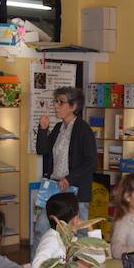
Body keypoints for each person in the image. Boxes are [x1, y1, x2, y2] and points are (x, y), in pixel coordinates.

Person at [33, 87, 97, 249]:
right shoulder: (58, 128)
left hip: (75, 189)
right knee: (41, 228)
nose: (56, 106)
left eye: (60, 102)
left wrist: (69, 179)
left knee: (80, 233)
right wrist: (42, 129)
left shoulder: (84, 130)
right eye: (55, 101)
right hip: (54, 188)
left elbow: (91, 162)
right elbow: (42, 150)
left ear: (73, 106)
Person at [31, 192, 106, 268]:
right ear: (75, 217)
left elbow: (99, 258)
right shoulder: (51, 240)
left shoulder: (70, 239)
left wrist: (90, 227)